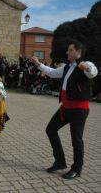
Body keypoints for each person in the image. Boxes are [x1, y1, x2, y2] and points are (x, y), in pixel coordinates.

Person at [30, 40, 98, 179]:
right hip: (65, 108)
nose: (67, 52)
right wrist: (38, 64)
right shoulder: (67, 67)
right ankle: (60, 162)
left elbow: (93, 72)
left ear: (78, 52)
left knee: (76, 140)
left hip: (79, 110)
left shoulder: (86, 64)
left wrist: (87, 68)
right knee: (50, 129)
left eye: (70, 50)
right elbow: (53, 72)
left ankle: (77, 169)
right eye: (68, 50)